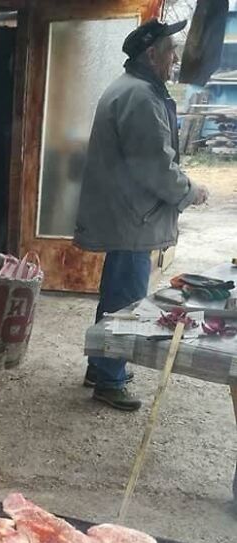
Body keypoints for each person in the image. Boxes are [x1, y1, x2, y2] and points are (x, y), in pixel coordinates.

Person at [75, 18, 209, 412]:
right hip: (134, 218)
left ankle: (101, 366)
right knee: (126, 301)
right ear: (151, 55)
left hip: (128, 214)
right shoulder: (140, 97)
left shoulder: (132, 89)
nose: (175, 60)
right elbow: (156, 167)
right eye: (170, 53)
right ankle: (109, 379)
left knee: (115, 295)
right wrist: (190, 191)